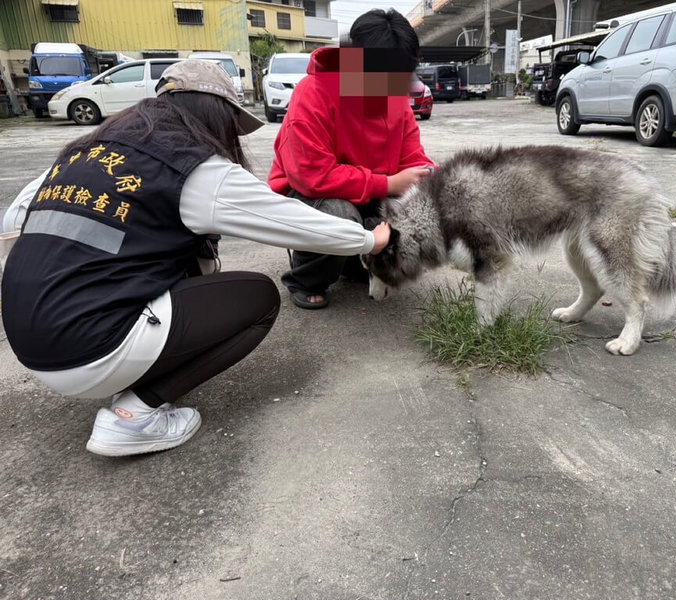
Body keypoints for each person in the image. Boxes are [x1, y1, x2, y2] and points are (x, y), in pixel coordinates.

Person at [0, 60, 390, 457]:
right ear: (214, 113)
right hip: (89, 351)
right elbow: (293, 222)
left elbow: (13, 221)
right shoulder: (193, 166)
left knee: (175, 250)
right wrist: (368, 240)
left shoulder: (86, 150)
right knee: (256, 297)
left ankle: (126, 364)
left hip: (27, 342)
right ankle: (134, 416)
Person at [268, 8, 435, 310]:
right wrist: (387, 183)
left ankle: (355, 261)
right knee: (340, 216)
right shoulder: (313, 93)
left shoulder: (395, 101)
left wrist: (432, 178)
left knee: (417, 212)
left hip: (370, 192)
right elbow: (311, 176)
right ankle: (305, 277)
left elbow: (413, 159)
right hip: (312, 195)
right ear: (355, 63)